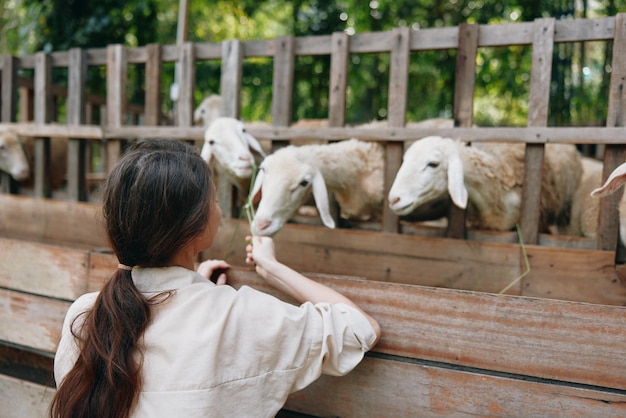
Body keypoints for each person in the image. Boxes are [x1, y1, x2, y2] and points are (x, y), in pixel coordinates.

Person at [50, 139, 381, 418]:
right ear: (199, 227)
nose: (219, 210)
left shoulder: (84, 315)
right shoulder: (240, 314)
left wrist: (196, 287)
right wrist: (273, 269)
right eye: (215, 200)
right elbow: (359, 329)